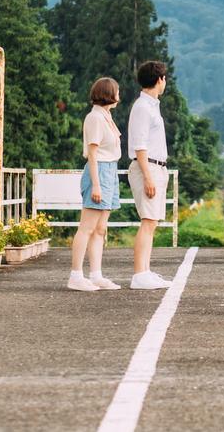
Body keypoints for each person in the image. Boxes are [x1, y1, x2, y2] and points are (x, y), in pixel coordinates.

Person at [68, 77, 123, 291]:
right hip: (98, 170)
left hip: (110, 169)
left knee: (100, 229)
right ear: (109, 94)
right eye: (117, 91)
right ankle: (75, 275)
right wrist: (97, 185)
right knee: (87, 227)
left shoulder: (106, 116)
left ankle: (96, 274)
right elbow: (92, 154)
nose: (119, 95)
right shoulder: (95, 119)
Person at [127, 61, 173, 290]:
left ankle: (145, 270)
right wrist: (148, 177)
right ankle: (139, 274)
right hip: (148, 167)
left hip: (156, 167)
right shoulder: (143, 107)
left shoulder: (152, 105)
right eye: (164, 78)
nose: (165, 82)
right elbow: (139, 145)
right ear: (159, 80)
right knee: (148, 221)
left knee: (152, 221)